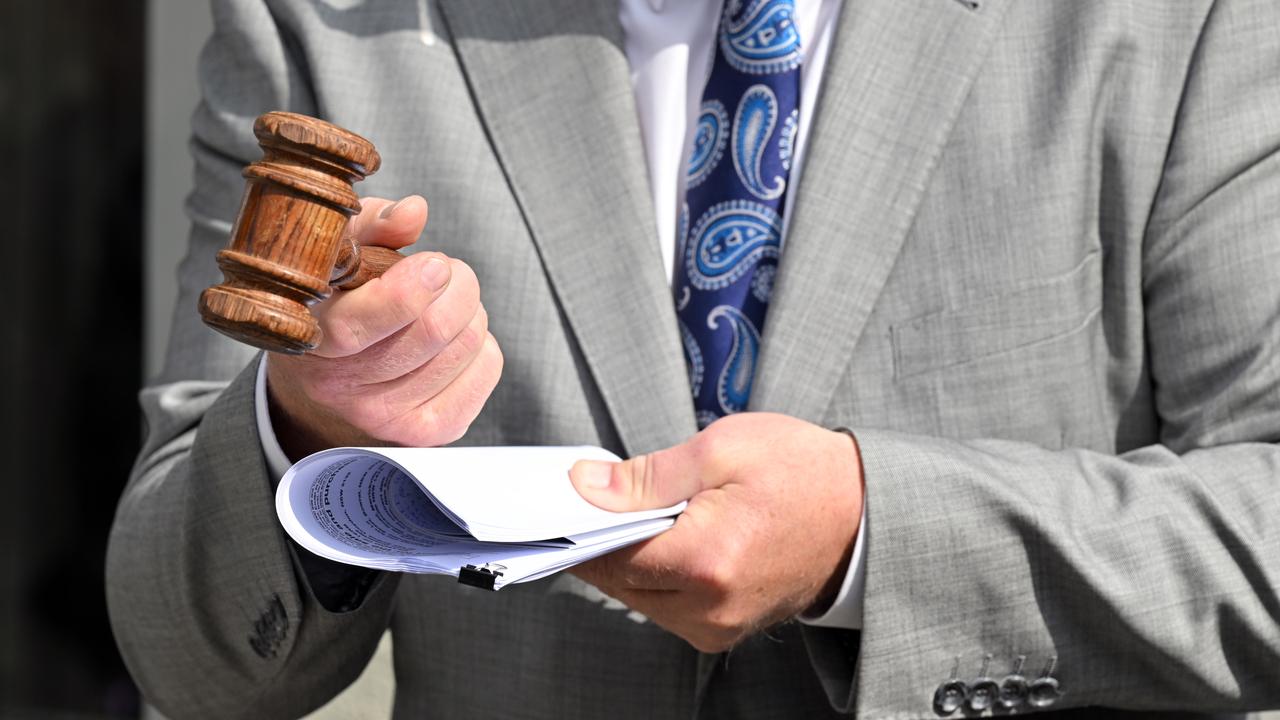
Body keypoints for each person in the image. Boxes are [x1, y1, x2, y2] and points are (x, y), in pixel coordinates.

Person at [107, 0, 1280, 717]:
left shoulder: (1191, 16)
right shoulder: (323, 15)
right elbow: (192, 661)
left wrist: (875, 538)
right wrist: (309, 430)